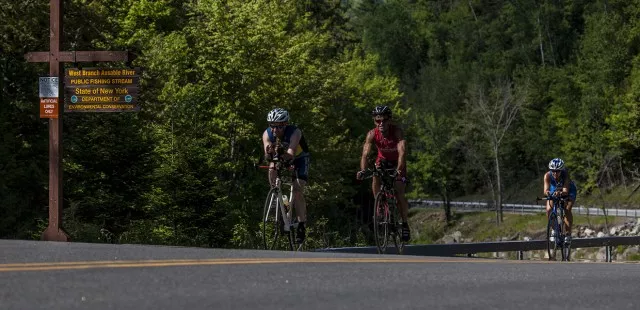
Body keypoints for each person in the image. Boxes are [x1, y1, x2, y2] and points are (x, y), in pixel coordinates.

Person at [356, 105, 410, 242]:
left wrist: (399, 170)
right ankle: (379, 204)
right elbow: (365, 155)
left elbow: (402, 153)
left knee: (399, 192)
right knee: (375, 174)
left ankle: (404, 224)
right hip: (382, 161)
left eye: (384, 120)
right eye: (377, 121)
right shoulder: (372, 134)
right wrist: (362, 170)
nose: (381, 124)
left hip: (397, 162)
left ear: (389, 120)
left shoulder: (397, 131)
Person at [262, 108, 310, 243]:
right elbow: (267, 155)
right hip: (281, 157)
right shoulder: (267, 134)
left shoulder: (295, 132)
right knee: (272, 167)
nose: (275, 129)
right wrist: (269, 152)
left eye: (278, 126)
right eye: (272, 125)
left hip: (299, 158)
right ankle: (277, 196)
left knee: (297, 189)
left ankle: (301, 224)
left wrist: (282, 156)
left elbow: (291, 153)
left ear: (285, 124)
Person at [543, 158, 578, 244]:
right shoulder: (547, 175)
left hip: (569, 190)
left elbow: (565, 191)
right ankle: (554, 230)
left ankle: (568, 233)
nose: (555, 173)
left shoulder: (565, 175)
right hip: (554, 189)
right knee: (548, 209)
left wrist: (561, 193)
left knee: (567, 209)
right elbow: (545, 191)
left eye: (558, 171)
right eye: (553, 171)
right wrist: (549, 193)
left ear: (561, 170)